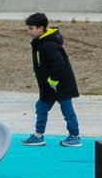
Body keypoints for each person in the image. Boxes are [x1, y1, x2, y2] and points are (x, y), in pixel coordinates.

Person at [22, 12, 82, 147]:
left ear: (41, 28)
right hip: (48, 86)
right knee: (41, 107)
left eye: (31, 28)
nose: (28, 31)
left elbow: (59, 64)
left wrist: (53, 80)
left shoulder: (49, 45)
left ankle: (74, 136)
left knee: (67, 110)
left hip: (61, 85)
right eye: (28, 28)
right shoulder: (39, 43)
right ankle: (38, 135)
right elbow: (42, 62)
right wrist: (38, 74)